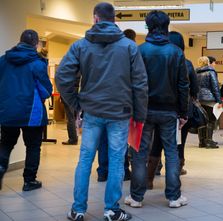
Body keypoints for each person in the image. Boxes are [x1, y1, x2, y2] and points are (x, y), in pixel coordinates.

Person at [55, 2, 148, 221]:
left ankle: (78, 210)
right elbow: (141, 84)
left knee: (85, 158)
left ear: (95, 18)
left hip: (92, 111)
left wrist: (77, 104)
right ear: (115, 20)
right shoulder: (129, 47)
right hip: (120, 112)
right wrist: (140, 115)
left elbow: (63, 77)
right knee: (116, 159)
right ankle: (112, 210)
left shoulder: (80, 46)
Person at [125, 10, 189, 209]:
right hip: (169, 111)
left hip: (143, 111)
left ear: (148, 26)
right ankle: (173, 197)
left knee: (139, 154)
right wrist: (183, 112)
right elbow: (183, 85)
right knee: (171, 152)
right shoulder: (176, 52)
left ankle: (136, 197)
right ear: (167, 26)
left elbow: (132, 82)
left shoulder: (140, 50)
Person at [0, 29, 53, 191]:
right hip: (32, 114)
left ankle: (0, 167)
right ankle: (29, 181)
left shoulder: (3, 60)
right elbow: (45, 90)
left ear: (19, 40)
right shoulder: (37, 63)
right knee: (33, 146)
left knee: (6, 143)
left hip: (7, 111)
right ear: (36, 43)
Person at [146, 31, 199, 189]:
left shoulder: (155, 59)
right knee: (177, 145)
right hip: (178, 110)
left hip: (156, 107)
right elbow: (192, 89)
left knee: (156, 143)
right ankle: (174, 183)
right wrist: (183, 112)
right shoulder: (186, 63)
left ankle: (149, 179)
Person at [96, 28, 137, 182]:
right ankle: (123, 170)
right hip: (121, 104)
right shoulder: (130, 54)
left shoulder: (103, 53)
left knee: (103, 140)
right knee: (120, 140)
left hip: (100, 104)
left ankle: (102, 171)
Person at [196, 56, 222, 148]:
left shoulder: (196, 72)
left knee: (202, 121)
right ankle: (209, 141)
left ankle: (201, 142)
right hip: (209, 99)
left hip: (199, 100)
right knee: (211, 120)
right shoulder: (211, 72)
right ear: (207, 62)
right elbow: (215, 87)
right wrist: (219, 100)